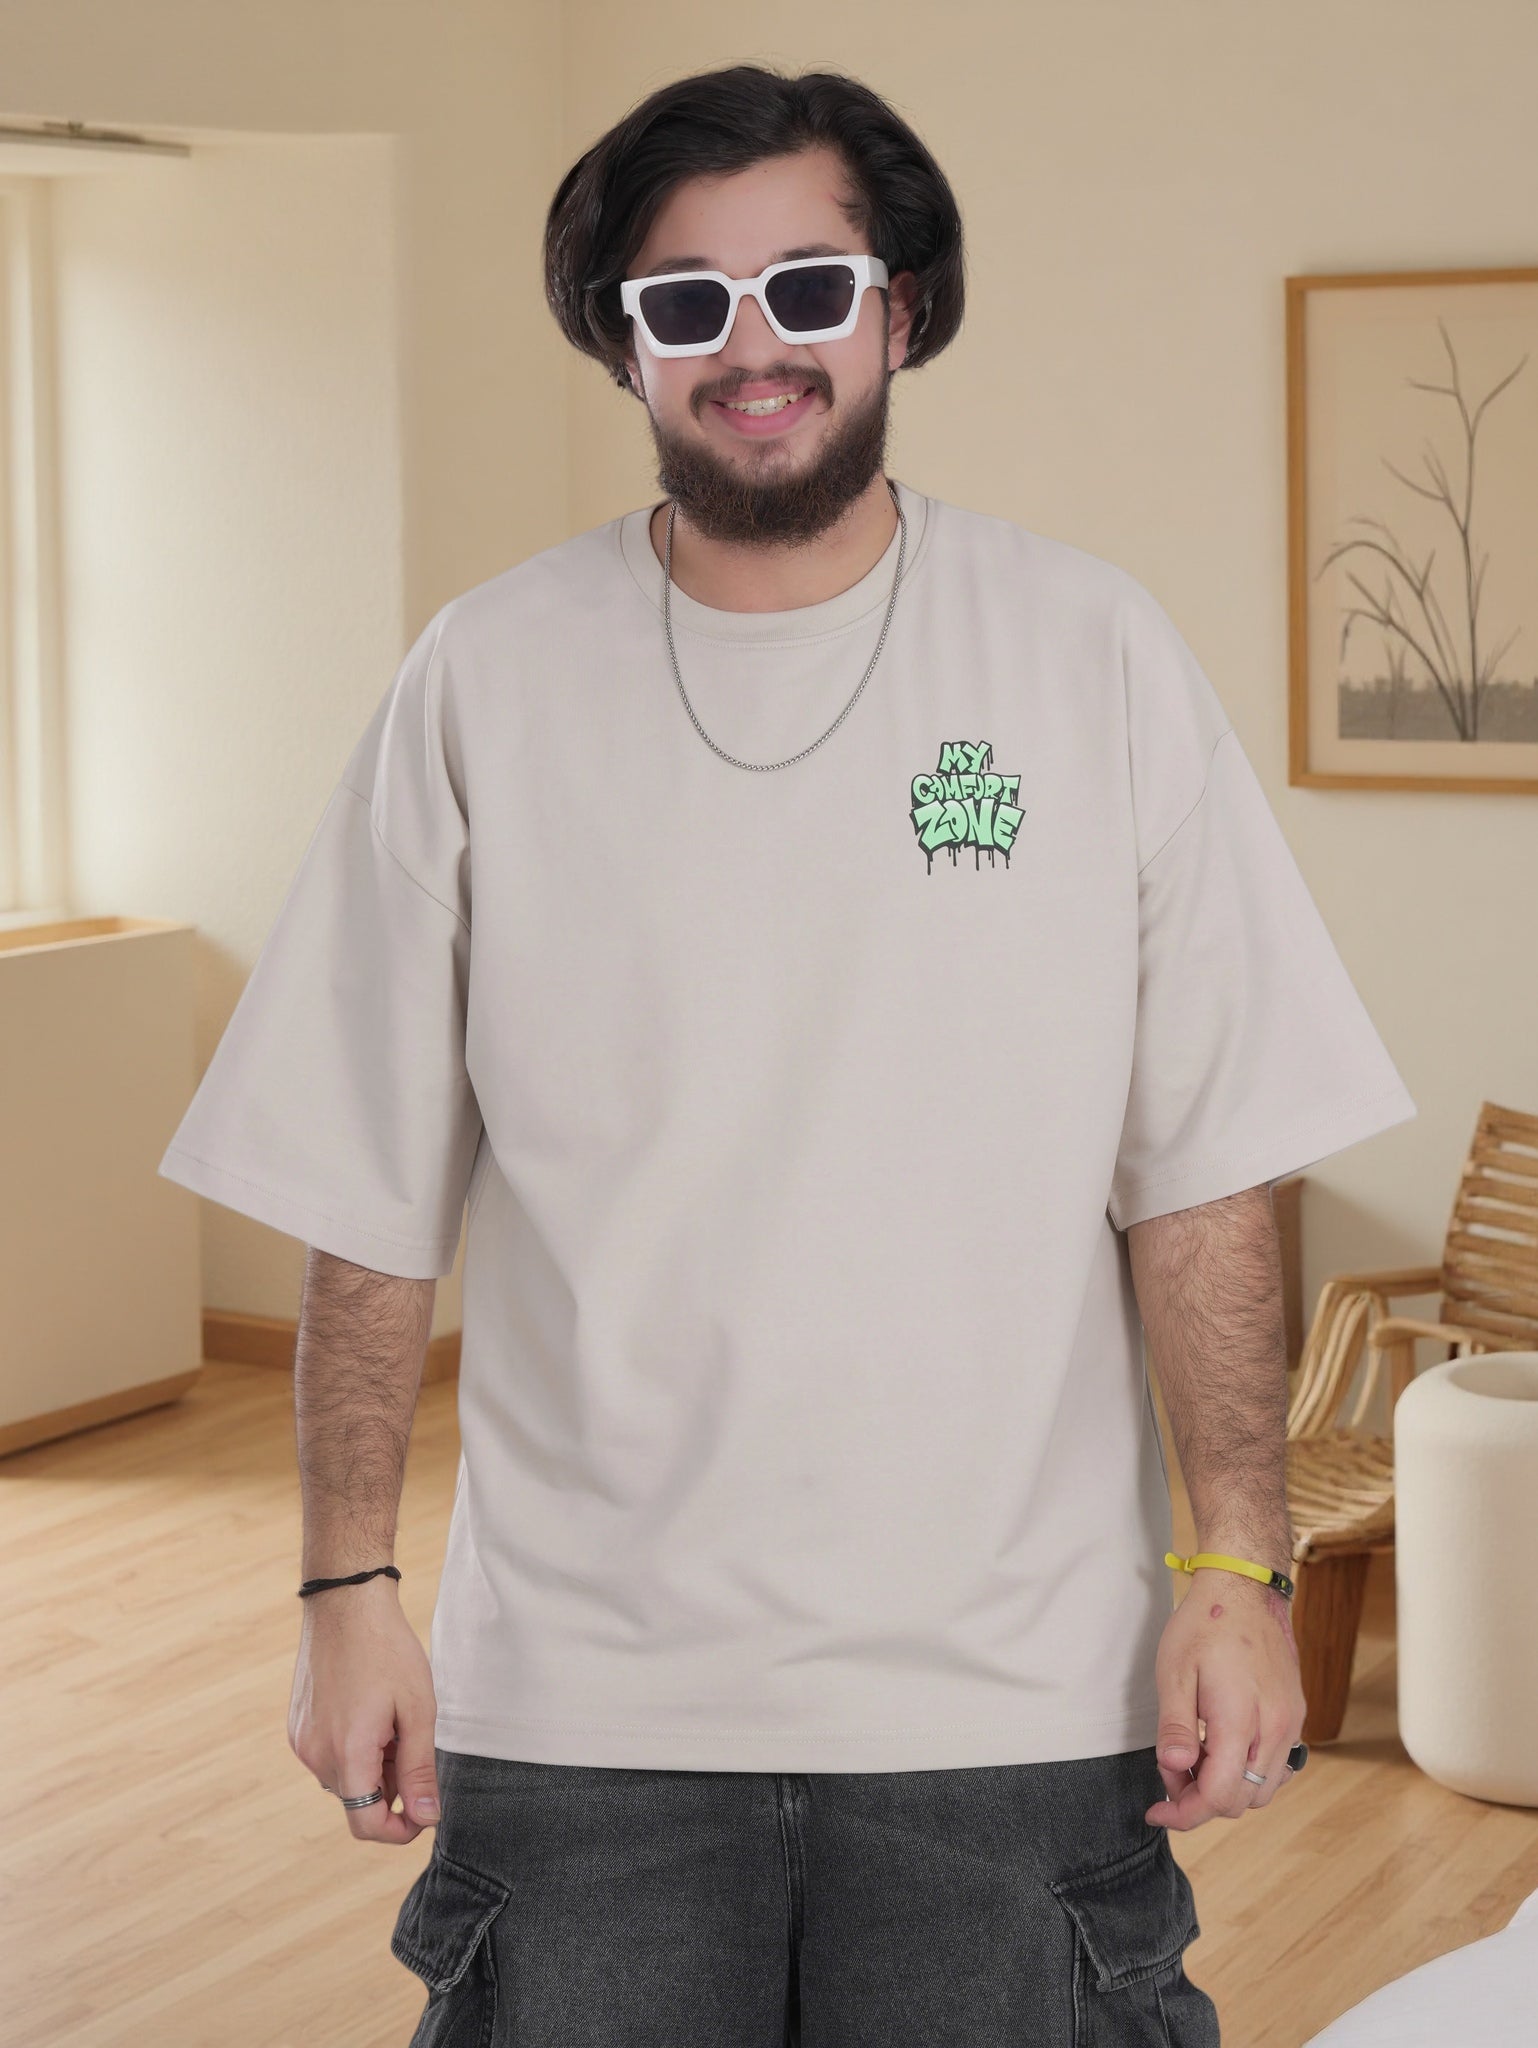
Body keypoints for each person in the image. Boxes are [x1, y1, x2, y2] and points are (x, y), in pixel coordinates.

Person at [158, 63, 1417, 2047]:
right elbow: (363, 1190)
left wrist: (1237, 1568)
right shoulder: (484, 676)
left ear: (899, 310)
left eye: (809, 288)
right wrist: (342, 1590)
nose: (753, 349)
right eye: (686, 301)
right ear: (623, 343)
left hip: (1012, 1700)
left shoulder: (1086, 654)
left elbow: (1200, 1170)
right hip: (583, 1709)